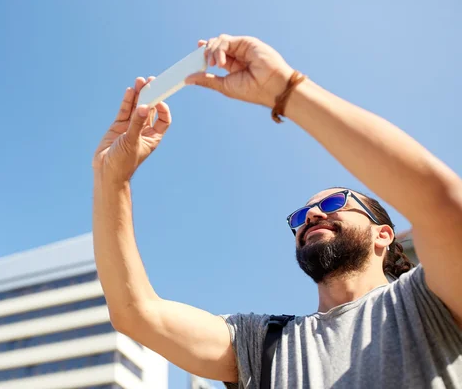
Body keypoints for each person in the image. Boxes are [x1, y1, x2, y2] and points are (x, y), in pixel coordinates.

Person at [91, 34, 462, 388]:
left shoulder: (430, 301)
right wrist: (112, 179)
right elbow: (136, 313)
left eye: (333, 203)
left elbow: (445, 209)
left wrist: (285, 89)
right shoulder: (261, 344)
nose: (312, 216)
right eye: (300, 217)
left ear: (383, 234)